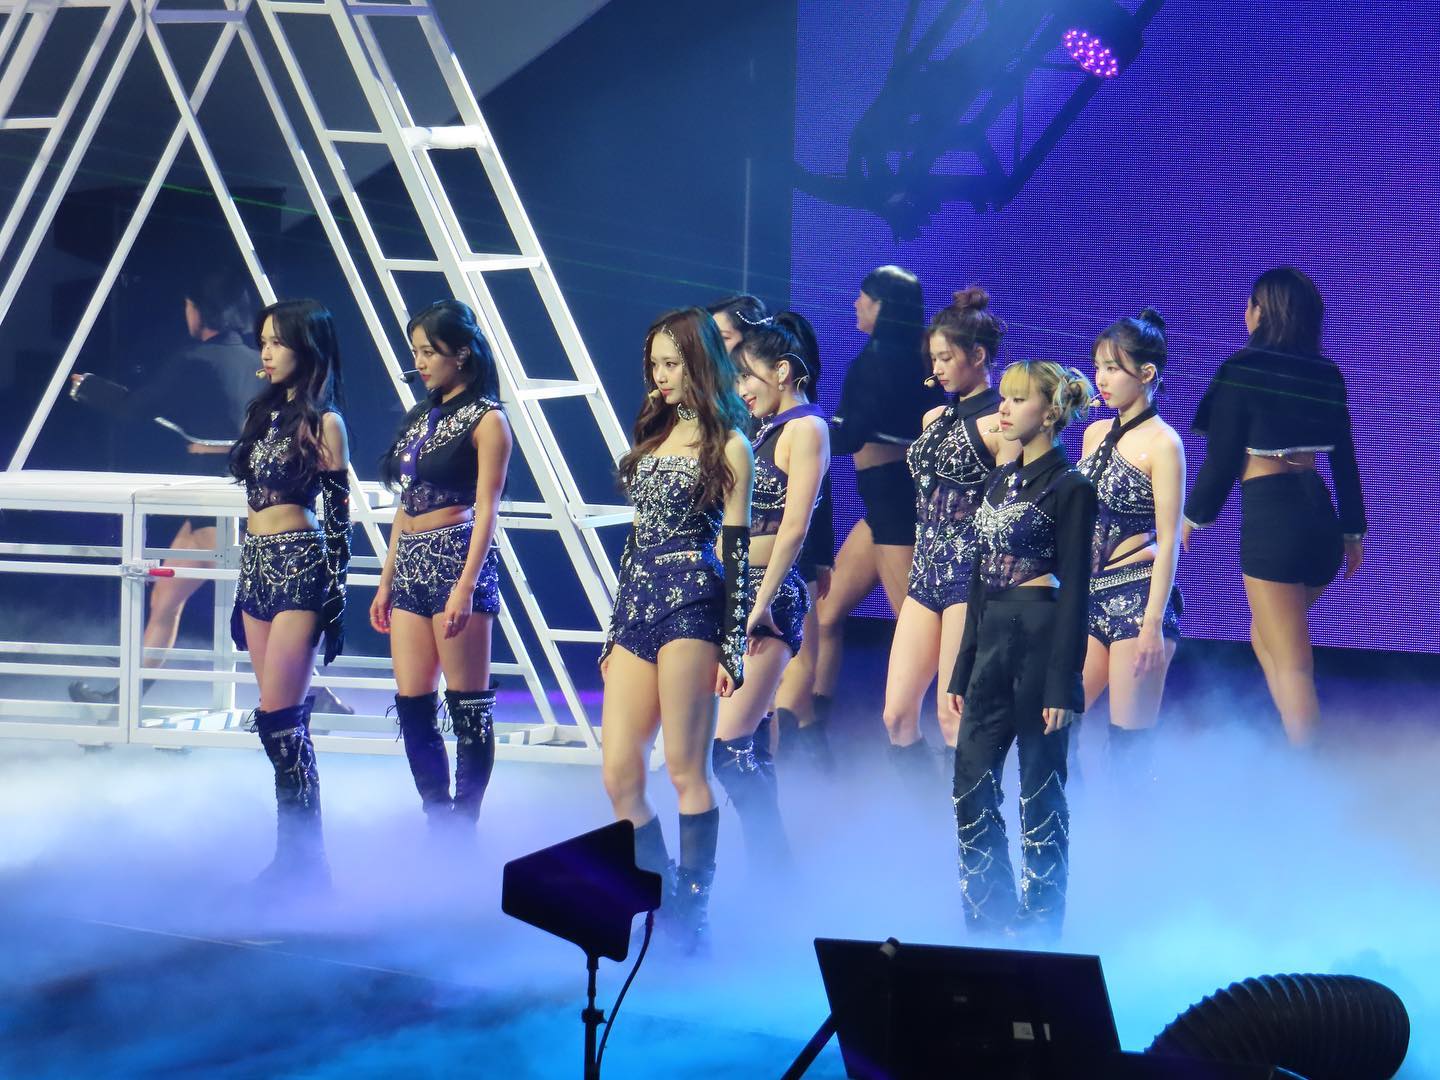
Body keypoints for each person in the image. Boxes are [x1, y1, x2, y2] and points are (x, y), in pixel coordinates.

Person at [600, 307, 753, 953]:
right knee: (619, 775)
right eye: (655, 364)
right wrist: (613, 630)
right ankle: (665, 902)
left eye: (672, 363)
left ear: (700, 362)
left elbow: (738, 553)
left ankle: (694, 916)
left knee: (688, 769)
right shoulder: (655, 432)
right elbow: (635, 539)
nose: (661, 376)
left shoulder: (731, 444)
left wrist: (733, 645)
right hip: (637, 605)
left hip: (692, 605)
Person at [1182, 268, 1365, 746]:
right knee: (1265, 636)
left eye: (1251, 303)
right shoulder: (1325, 371)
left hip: (1273, 517)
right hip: (1320, 516)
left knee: (1293, 662)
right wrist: (1352, 533)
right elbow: (1345, 460)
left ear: (1262, 312)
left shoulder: (1242, 369)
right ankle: (1296, 747)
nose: (1246, 311)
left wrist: (1193, 517)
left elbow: (1222, 459)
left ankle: (1308, 770)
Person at [946, 361, 1096, 938]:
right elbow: (979, 580)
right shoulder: (997, 482)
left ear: (1051, 413)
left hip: (1040, 642)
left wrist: (1064, 682)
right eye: (1002, 398)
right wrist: (962, 665)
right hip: (991, 644)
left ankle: (1040, 927)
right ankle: (990, 917)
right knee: (970, 782)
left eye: (1017, 399)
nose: (1003, 409)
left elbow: (1077, 590)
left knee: (1040, 790)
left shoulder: (1071, 487)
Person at [67, 270, 258, 705]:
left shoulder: (195, 360)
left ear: (201, 310)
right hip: (233, 491)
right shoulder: (256, 361)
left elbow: (138, 407)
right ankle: (125, 698)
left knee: (257, 615)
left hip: (215, 494)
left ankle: (317, 696)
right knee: (167, 598)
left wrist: (89, 389)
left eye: (188, 306)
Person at [371, 301, 512, 829]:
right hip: (410, 564)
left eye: (429, 351)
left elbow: (487, 510)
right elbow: (405, 505)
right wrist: (386, 581)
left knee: (467, 704)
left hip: (457, 560)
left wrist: (465, 587)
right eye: (416, 352)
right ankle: (438, 819)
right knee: (413, 703)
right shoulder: (422, 416)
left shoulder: (489, 419)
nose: (420, 362)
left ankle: (464, 824)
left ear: (462, 353)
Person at [228, 299, 350, 889]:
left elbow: (340, 518)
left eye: (277, 341)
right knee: (275, 723)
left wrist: (336, 598)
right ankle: (293, 860)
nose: (267, 352)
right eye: (264, 341)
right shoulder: (264, 413)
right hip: (255, 565)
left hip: (299, 565)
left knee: (282, 720)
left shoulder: (325, 423)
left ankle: (307, 864)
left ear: (307, 347)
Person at [880, 288, 1011, 785]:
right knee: (896, 715)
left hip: (971, 579)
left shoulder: (1002, 422)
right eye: (932, 358)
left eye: (945, 358)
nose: (936, 369)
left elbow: (1012, 510)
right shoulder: (933, 418)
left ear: (977, 356)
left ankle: (968, 820)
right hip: (925, 575)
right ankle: (921, 809)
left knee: (953, 715)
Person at [713, 312, 829, 870]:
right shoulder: (765, 430)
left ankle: (776, 867)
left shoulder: (807, 429)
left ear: (782, 371)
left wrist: (758, 604)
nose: (740, 389)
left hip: (769, 599)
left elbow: (795, 527)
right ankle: (771, 873)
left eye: (747, 376)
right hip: (738, 591)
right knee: (752, 744)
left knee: (729, 750)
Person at [812, 265, 936, 747]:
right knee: (827, 613)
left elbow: (853, 433)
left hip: (893, 506)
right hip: (883, 502)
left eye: (863, 296)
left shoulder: (879, 359)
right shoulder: (911, 357)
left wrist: (800, 430)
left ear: (882, 305)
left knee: (912, 622)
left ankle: (922, 736)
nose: (855, 304)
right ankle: (812, 732)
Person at [1077, 310, 1185, 775]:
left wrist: (1152, 624)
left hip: (1138, 600)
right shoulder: (1094, 433)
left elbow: (1170, 539)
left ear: (1146, 374)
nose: (1101, 379)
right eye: (1098, 367)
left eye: (1112, 368)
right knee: (1053, 721)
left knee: (1128, 748)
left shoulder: (1164, 444)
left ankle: (1132, 822)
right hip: (1087, 598)